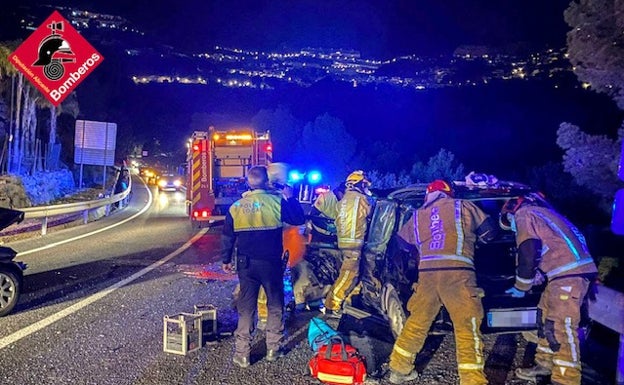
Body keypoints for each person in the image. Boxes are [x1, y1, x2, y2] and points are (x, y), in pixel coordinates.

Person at [388, 180, 497, 385]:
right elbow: (490, 233)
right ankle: (472, 381)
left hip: (427, 276)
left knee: (416, 323)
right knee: (467, 329)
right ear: (449, 193)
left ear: (428, 195)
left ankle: (399, 369)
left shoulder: (418, 215)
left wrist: (423, 250)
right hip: (458, 276)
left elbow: (402, 242)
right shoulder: (462, 206)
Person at [499, 196, 598, 385]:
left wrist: (522, 286)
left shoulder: (524, 214)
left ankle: (566, 379)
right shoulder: (549, 214)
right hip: (565, 275)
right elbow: (551, 246)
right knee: (545, 317)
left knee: (561, 328)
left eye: (508, 222)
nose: (511, 227)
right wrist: (540, 272)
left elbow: (527, 249)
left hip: (567, 277)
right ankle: (543, 365)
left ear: (510, 212)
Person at [221, 165, 305, 368]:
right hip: (271, 264)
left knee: (246, 307)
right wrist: (290, 197)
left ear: (248, 182)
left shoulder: (236, 206)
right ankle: (273, 350)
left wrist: (225, 260)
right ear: (267, 181)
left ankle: (242, 354)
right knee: (275, 305)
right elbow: (299, 219)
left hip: (246, 264)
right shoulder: (276, 202)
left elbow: (227, 237)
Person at [323, 170, 373, 318]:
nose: (365, 187)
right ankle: (331, 305)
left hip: (343, 242)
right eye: (364, 184)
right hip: (354, 244)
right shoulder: (361, 199)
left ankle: (349, 302)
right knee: (348, 276)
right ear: (358, 184)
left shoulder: (343, 200)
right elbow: (370, 216)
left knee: (354, 275)